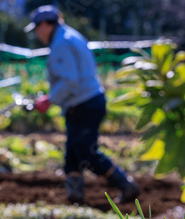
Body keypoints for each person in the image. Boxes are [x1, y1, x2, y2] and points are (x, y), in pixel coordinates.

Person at [24, 4, 139, 204]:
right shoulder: (71, 36)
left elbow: (70, 81)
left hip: (83, 104)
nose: (36, 33)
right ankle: (75, 196)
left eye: (36, 28)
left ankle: (125, 185)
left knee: (86, 152)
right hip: (87, 101)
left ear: (44, 25)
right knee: (73, 154)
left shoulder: (61, 43)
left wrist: (50, 100)